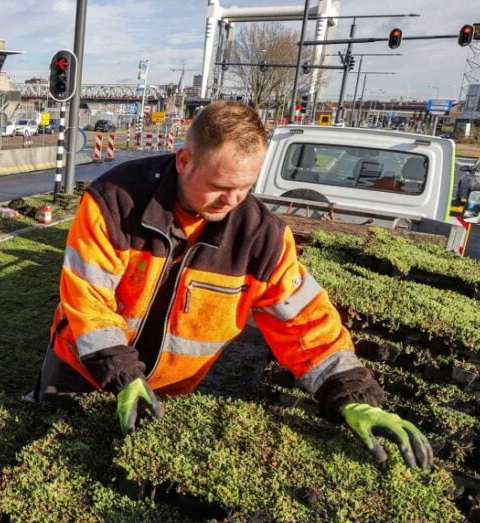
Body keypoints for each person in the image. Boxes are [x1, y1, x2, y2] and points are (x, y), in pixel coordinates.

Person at [34, 102, 432, 469]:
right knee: (49, 454)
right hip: (81, 370)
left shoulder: (262, 238)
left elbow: (304, 324)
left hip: (167, 391)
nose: (232, 200)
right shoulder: (114, 202)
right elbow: (89, 300)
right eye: (221, 187)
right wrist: (121, 374)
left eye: (245, 187)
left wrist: (352, 395)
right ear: (185, 161)